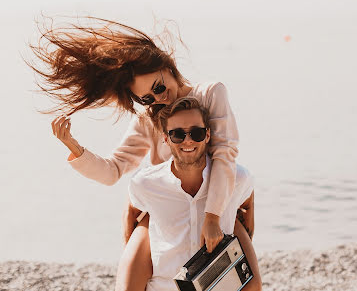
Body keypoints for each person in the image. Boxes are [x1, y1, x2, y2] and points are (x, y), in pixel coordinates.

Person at [28, 17, 247, 289]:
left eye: (158, 87)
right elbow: (113, 171)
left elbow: (226, 154)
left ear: (167, 66)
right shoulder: (148, 119)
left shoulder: (211, 94)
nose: (159, 98)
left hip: (213, 202)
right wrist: (73, 146)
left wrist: (213, 217)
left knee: (251, 282)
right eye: (147, 98)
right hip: (164, 209)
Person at [121, 97, 261, 291]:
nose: (187, 140)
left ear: (208, 135)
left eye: (196, 133)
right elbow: (132, 213)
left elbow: (247, 202)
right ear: (166, 138)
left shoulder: (237, 178)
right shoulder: (146, 184)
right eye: (178, 134)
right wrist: (133, 259)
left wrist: (244, 237)